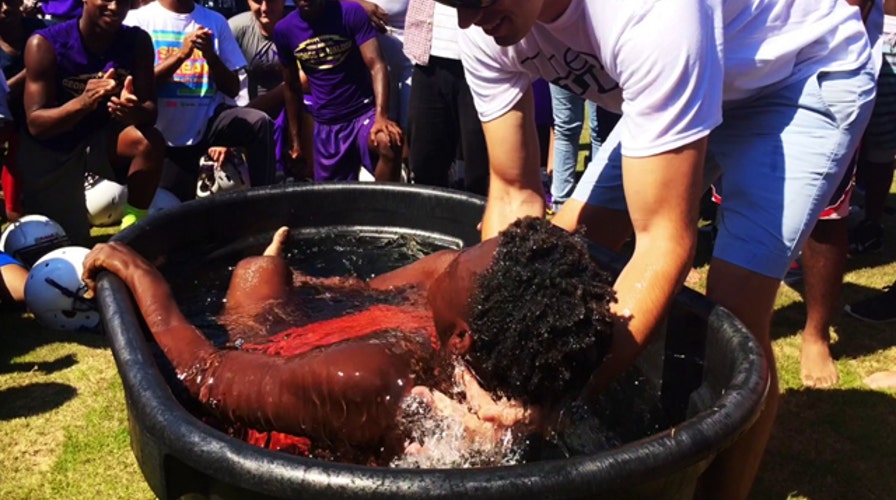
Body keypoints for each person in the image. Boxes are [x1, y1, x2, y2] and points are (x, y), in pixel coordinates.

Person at [442, 0, 877, 497]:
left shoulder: (648, 10)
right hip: (687, 73)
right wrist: (495, 347)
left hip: (797, 73)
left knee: (736, 313)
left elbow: (663, 242)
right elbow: (512, 191)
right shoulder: (483, 22)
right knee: (569, 243)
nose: (464, 18)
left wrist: (558, 396)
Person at [81, 216, 615, 463]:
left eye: (462, 273)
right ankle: (312, 285)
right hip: (368, 341)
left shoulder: (372, 381)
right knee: (423, 272)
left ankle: (285, 272)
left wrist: (143, 277)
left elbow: (207, 375)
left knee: (253, 274)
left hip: (277, 380)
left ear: (461, 336)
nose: (457, 261)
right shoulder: (526, 381)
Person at [19, 0, 165, 245]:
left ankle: (133, 228)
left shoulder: (137, 42)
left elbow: (150, 112)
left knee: (148, 141)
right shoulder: (44, 44)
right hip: (52, 148)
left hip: (100, 140)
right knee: (67, 243)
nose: (115, 6)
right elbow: (36, 123)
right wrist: (83, 102)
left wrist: (133, 111)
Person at [124, 0, 276, 201]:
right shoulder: (138, 20)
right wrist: (180, 56)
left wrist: (211, 57)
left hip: (207, 124)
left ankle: (264, 206)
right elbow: (135, 85)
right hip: (160, 135)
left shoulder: (215, 21)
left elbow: (232, 89)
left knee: (258, 122)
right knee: (170, 207)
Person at [273, 0, 402, 182]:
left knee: (388, 142)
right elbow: (292, 87)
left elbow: (376, 64)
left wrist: (381, 116)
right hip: (327, 125)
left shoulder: (350, 13)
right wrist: (296, 142)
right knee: (331, 204)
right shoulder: (284, 30)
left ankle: (381, 207)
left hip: (363, 114)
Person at [402, 0, 488, 195]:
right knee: (424, 161)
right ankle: (430, 221)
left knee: (480, 165)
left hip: (483, 63)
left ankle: (477, 220)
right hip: (428, 58)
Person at [0, 0, 47, 222]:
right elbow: (4, 92)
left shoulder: (42, 31)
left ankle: (17, 209)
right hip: (4, 113)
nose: (4, 8)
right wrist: (33, 68)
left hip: (36, 112)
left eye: (9, 0)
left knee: (22, 158)